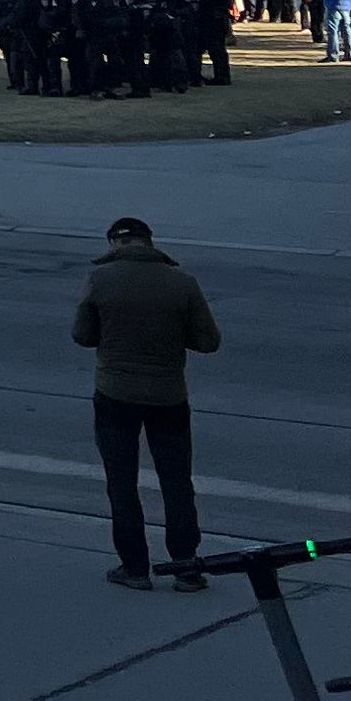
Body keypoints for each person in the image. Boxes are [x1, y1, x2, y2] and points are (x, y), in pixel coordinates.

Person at [76, 216, 221, 588]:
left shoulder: (99, 280)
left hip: (114, 394)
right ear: (150, 243)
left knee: (121, 484)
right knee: (176, 482)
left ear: (113, 244)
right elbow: (208, 341)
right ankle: (186, 567)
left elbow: (83, 335)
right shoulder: (182, 283)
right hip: (168, 396)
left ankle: (135, 568)